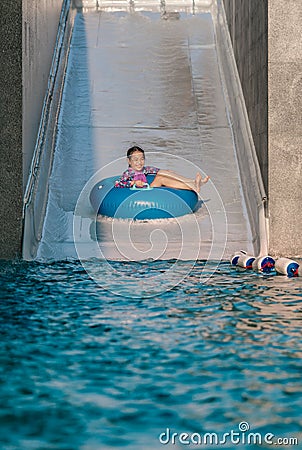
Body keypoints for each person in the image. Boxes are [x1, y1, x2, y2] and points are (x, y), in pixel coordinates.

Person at [114, 146, 210, 193]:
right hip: (139, 194)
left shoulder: (144, 169)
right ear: (129, 161)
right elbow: (118, 184)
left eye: (142, 159)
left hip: (147, 189)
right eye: (135, 160)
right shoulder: (128, 173)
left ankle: (193, 182)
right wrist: (133, 183)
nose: (139, 162)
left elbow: (157, 170)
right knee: (161, 178)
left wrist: (168, 172)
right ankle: (193, 183)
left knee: (163, 173)